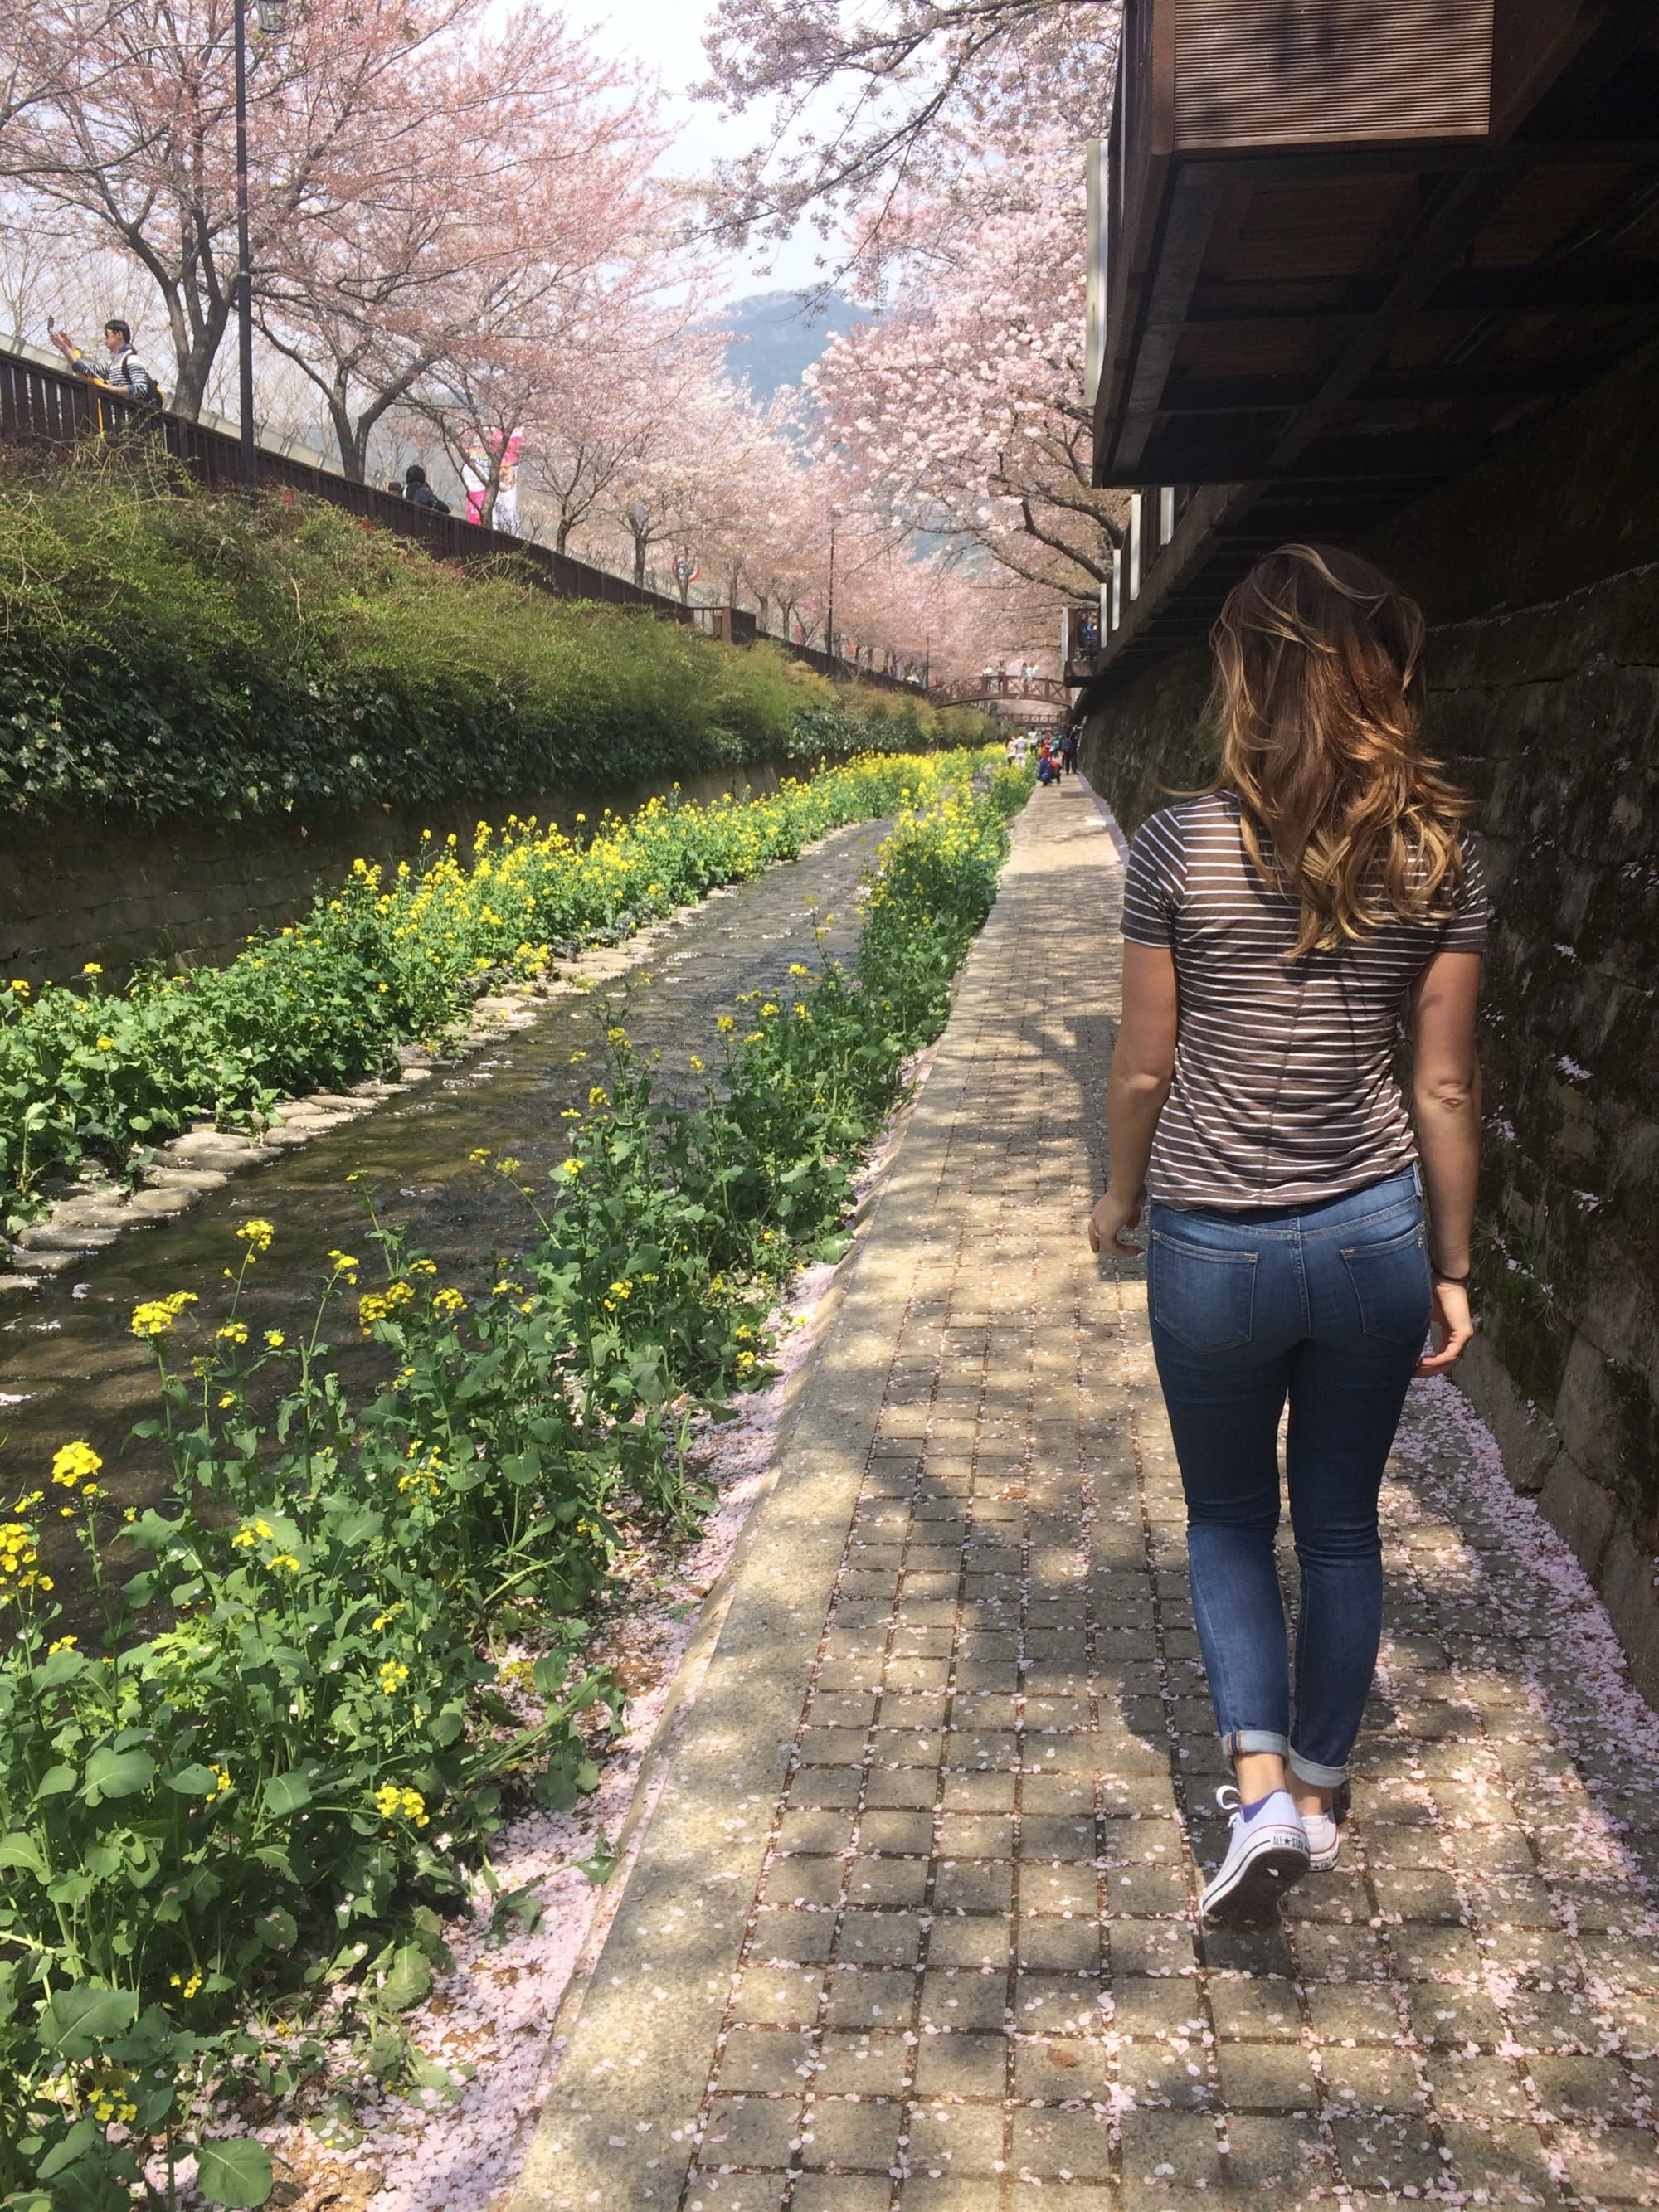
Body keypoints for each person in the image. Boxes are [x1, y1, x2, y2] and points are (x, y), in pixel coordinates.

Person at [1087, 543, 1486, 1931]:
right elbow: (1443, 1081)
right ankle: (1320, 1787)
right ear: (1382, 670)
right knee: (1339, 1529)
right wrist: (1451, 1262)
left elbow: (1145, 1065)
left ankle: (1256, 1790)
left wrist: (1117, 1196)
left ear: (1245, 676)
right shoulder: (1440, 852)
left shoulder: (1175, 845)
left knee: (1225, 1518)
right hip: (1373, 1231)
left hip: (1212, 1239)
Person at [50, 317, 163, 406]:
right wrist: (65, 348)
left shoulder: (131, 360)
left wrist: (112, 390)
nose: (105, 339)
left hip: (130, 419)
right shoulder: (113, 363)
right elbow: (85, 370)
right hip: (116, 417)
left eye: (107, 335)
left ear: (119, 335)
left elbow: (140, 388)